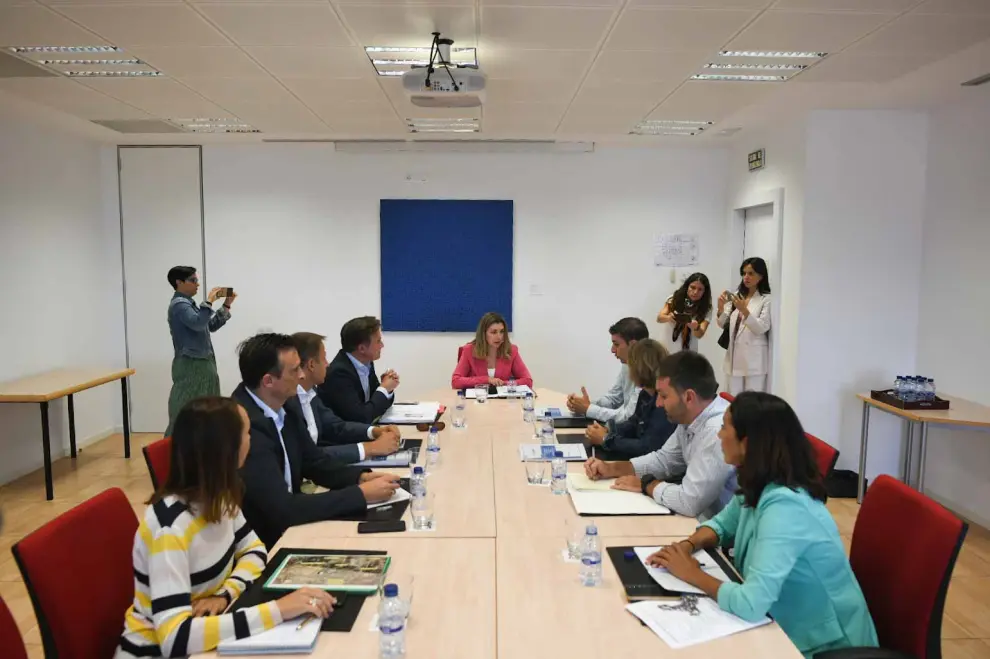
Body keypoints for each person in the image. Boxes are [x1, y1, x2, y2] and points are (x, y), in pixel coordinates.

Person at [645, 392, 878, 658]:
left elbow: (751, 604)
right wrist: (688, 545)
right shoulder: (760, 482)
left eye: (724, 427)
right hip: (783, 622)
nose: (719, 435)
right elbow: (722, 524)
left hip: (825, 645)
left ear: (748, 442)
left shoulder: (785, 507)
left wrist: (692, 574)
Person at [115, 397, 336, 658]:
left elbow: (255, 550)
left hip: (210, 636)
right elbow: (175, 639)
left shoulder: (219, 497)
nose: (251, 439)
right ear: (225, 449)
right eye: (246, 433)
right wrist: (278, 610)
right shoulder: (169, 528)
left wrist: (225, 594)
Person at [232, 333, 401, 548]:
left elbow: (314, 462)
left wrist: (360, 477)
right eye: (294, 370)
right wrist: (359, 495)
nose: (302, 374)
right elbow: (281, 509)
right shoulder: (244, 425)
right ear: (268, 381)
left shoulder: (286, 404)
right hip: (265, 541)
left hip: (290, 526)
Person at [584, 351, 735, 520]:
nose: (658, 403)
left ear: (689, 397)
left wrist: (648, 485)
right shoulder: (690, 418)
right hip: (704, 522)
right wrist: (611, 468)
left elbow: (689, 502)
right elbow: (664, 460)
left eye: (663, 396)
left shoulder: (716, 431)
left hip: (722, 536)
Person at [293, 331, 402, 464]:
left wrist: (375, 431)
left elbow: (336, 426)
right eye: (324, 359)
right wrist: (369, 448)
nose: (328, 364)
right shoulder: (288, 403)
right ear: (311, 365)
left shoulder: (310, 392)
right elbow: (309, 455)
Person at [165, 265, 236, 436]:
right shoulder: (179, 305)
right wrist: (210, 300)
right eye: (193, 280)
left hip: (204, 362)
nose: (197, 284)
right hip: (191, 363)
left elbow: (209, 325)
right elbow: (197, 323)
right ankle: (173, 447)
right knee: (185, 407)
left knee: (207, 407)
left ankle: (202, 444)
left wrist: (226, 305)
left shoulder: (190, 304)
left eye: (197, 280)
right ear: (179, 282)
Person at [584, 339, 676, 461]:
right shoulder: (645, 394)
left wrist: (606, 439)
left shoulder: (663, 403)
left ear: (639, 369)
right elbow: (633, 423)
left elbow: (647, 447)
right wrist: (608, 430)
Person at [566, 317, 649, 428]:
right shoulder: (627, 366)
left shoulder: (648, 374)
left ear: (633, 345)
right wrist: (585, 404)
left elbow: (627, 417)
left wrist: (588, 409)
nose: (612, 350)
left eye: (616, 344)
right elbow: (614, 399)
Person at [319, 317, 399, 424]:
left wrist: (387, 388)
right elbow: (361, 417)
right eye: (378, 341)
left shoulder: (366, 362)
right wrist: (384, 389)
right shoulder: (338, 374)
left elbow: (377, 405)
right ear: (361, 349)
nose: (382, 345)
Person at [717, 257, 771, 395]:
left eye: (751, 273)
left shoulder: (766, 299)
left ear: (761, 276)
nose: (746, 277)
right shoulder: (737, 296)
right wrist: (720, 309)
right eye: (744, 273)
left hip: (754, 360)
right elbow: (723, 324)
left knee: (752, 402)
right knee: (732, 400)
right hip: (734, 357)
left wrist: (744, 311)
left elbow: (762, 327)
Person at [451, 312, 533, 389]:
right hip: (477, 400)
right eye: (493, 332)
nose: (499, 337)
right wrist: (487, 380)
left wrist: (502, 384)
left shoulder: (511, 350)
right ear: (483, 334)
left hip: (502, 402)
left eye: (502, 332)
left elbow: (528, 381)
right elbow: (456, 381)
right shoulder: (469, 350)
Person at [657, 272, 712, 352]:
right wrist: (669, 318)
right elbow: (659, 318)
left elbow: (700, 334)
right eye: (692, 287)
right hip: (667, 346)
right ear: (687, 287)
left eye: (700, 289)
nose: (695, 292)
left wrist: (696, 327)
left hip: (689, 350)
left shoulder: (706, 308)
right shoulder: (674, 298)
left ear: (705, 291)